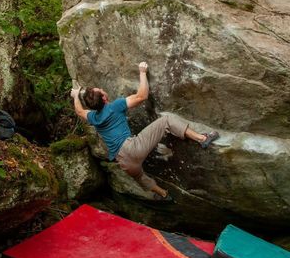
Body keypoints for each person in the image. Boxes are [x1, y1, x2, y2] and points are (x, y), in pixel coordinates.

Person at [70, 61, 219, 201]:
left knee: (140, 177)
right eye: (100, 90)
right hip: (133, 147)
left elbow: (79, 111)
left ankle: (164, 194)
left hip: (123, 161)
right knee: (166, 121)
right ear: (104, 98)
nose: (102, 89)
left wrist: (76, 95)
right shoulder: (115, 106)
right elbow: (142, 96)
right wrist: (142, 72)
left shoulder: (92, 117)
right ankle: (202, 139)